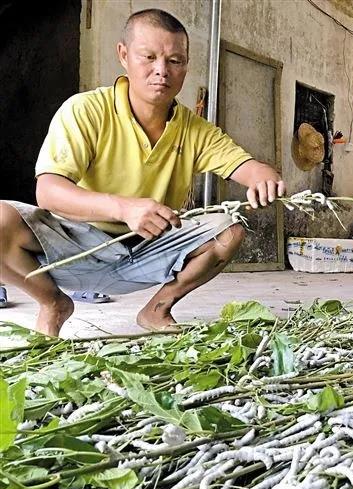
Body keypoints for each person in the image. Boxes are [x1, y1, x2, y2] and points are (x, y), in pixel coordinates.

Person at [0, 9, 284, 336]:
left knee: (229, 230)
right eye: (148, 57)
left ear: (187, 65)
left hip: (150, 248)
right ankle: (53, 303)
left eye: (175, 61)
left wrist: (263, 175)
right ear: (124, 55)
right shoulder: (86, 110)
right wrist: (124, 207)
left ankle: (157, 309)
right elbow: (48, 191)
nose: (161, 71)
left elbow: (245, 166)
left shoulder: (195, 130)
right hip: (76, 245)